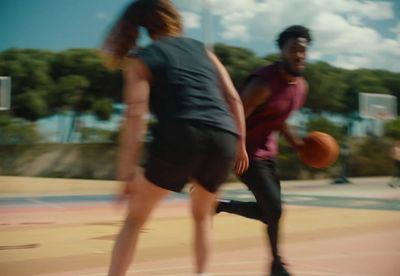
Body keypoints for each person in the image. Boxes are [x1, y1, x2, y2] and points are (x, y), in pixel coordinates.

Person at [100, 1, 249, 275]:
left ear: (141, 26)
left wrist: (126, 172)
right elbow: (233, 98)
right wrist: (240, 145)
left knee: (135, 219)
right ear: (172, 17)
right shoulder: (202, 50)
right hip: (223, 135)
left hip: (182, 132)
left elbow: (135, 115)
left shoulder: (141, 58)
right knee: (203, 215)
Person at [215, 25, 312, 276]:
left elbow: (281, 118)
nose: (299, 55)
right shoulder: (263, 83)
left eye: (303, 50)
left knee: (272, 211)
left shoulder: (301, 87)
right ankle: (275, 262)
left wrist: (298, 145)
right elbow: (234, 117)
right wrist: (233, 151)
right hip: (245, 152)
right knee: (274, 209)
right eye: (293, 49)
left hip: (267, 152)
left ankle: (275, 263)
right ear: (282, 51)